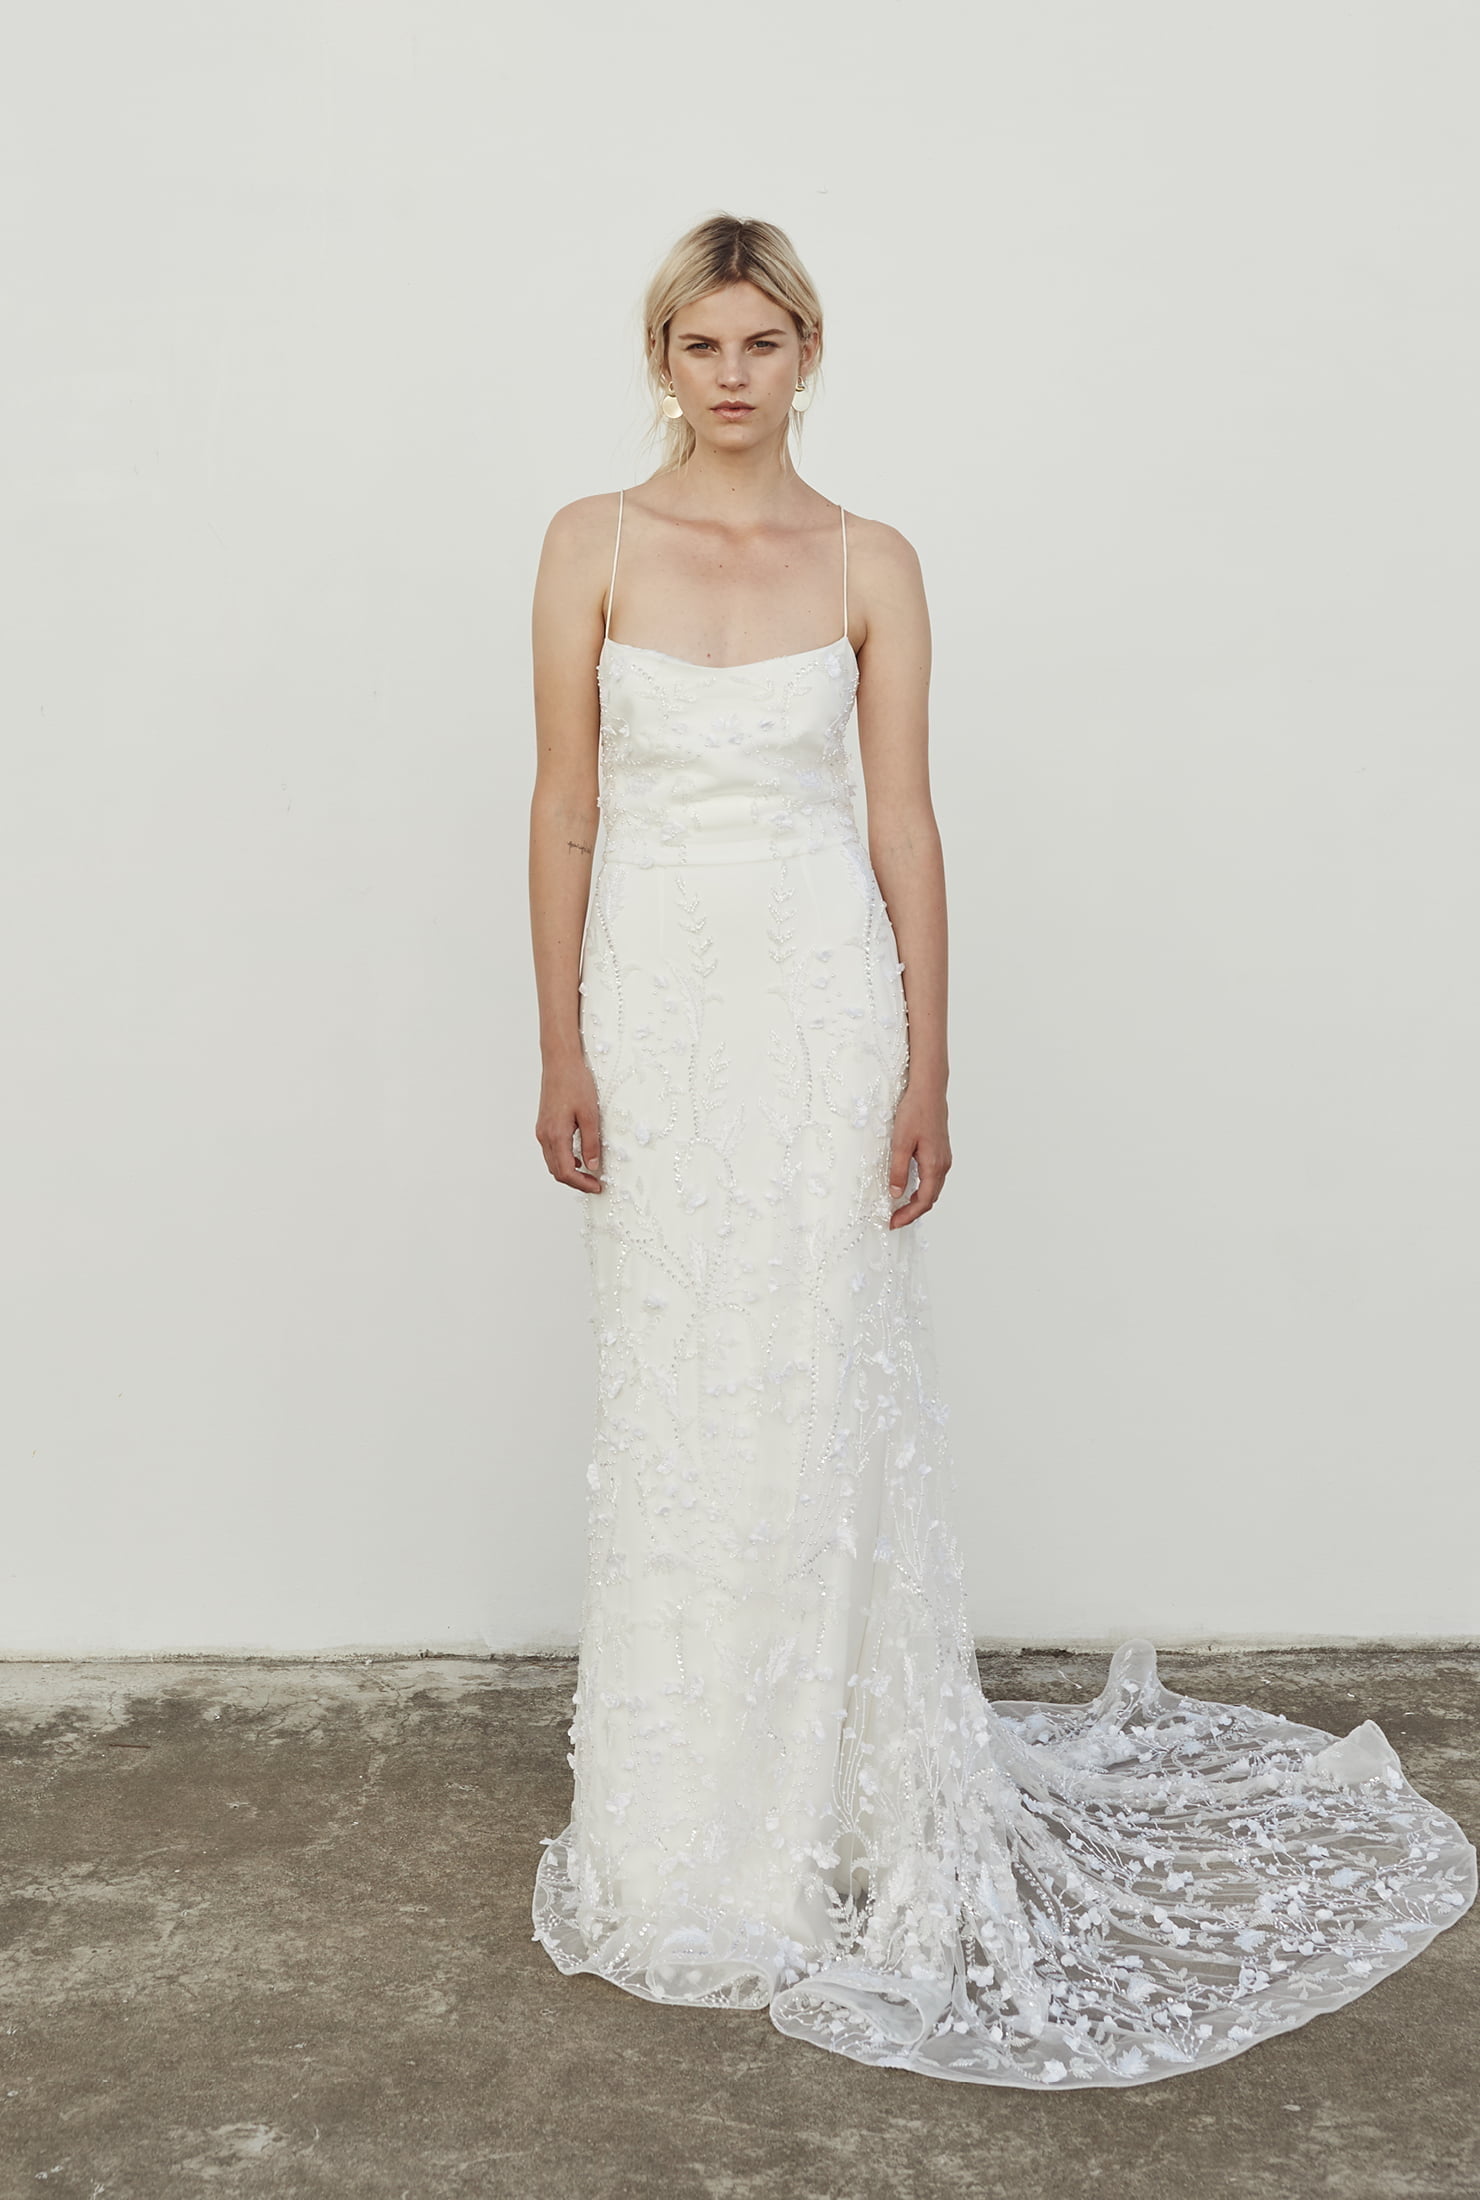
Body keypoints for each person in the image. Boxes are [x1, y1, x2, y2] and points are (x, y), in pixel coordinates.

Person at [525, 212, 1476, 2087]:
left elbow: (905, 821)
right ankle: (675, 1823)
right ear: (662, 359)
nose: (732, 376)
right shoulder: (590, 544)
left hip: (823, 997)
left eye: (763, 343)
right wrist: (560, 1036)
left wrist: (929, 1062)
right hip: (656, 995)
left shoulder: (870, 559)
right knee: (680, 1379)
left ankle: (841, 1807)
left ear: (808, 354)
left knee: (819, 1376)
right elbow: (566, 804)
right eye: (703, 345)